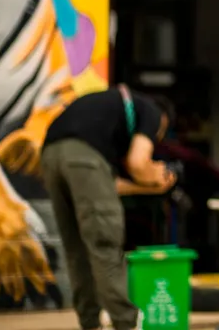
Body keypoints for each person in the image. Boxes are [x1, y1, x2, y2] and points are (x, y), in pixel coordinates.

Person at [41, 85, 176, 330]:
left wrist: (149, 189)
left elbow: (108, 185)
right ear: (163, 121)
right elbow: (138, 162)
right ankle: (126, 322)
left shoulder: (108, 120)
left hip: (50, 155)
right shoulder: (152, 112)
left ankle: (90, 322)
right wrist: (154, 176)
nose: (155, 141)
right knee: (105, 242)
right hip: (81, 157)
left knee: (77, 248)